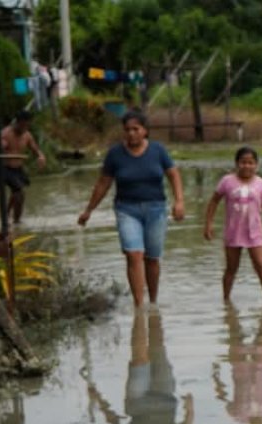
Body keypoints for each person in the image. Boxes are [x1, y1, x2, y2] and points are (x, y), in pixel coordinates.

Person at [78, 110, 185, 308]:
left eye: (136, 129)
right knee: (133, 254)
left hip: (156, 209)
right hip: (126, 210)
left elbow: (174, 175)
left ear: (145, 131)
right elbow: (103, 184)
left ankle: (153, 302)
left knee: (152, 258)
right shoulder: (115, 154)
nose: (131, 133)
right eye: (127, 130)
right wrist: (88, 210)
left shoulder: (158, 151)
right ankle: (139, 306)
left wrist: (179, 201)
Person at [85, 310, 194, 424]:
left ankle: (139, 313)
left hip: (137, 400)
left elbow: (115, 423)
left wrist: (98, 399)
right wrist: (190, 409)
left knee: (140, 358)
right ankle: (153, 313)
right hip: (165, 395)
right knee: (158, 346)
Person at [203, 146, 262, 302]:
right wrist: (208, 224)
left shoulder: (261, 183)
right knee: (231, 268)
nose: (247, 166)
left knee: (260, 264)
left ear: (256, 165)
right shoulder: (227, 181)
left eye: (251, 163)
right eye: (243, 162)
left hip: (255, 231)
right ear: (237, 163)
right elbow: (214, 201)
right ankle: (226, 300)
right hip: (233, 231)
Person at [0, 109, 46, 225]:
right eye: (24, 125)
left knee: (17, 193)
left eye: (28, 125)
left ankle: (6, 215)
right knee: (19, 193)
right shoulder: (6, 133)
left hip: (18, 169)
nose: (25, 128)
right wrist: (1, 146)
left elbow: (35, 149)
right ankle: (17, 221)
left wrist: (40, 156)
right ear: (18, 122)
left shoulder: (27, 135)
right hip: (6, 168)